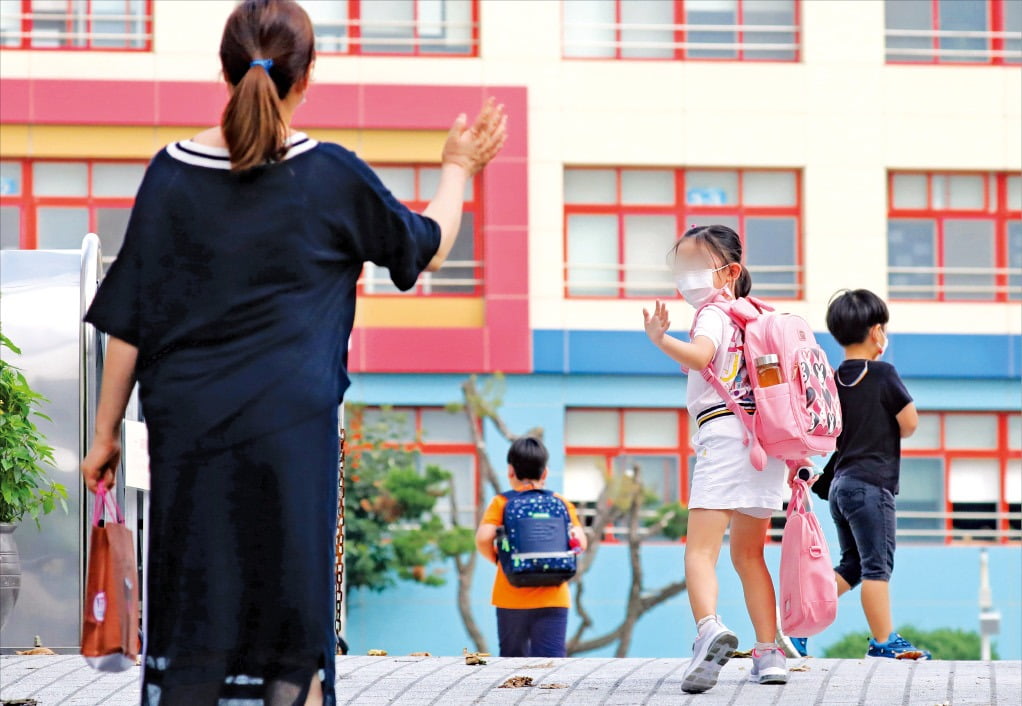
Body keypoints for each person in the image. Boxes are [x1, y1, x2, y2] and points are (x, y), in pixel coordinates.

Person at [79, 0, 507, 703]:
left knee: (198, 601)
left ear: (224, 70)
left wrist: (103, 435)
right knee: (289, 606)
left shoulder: (172, 174)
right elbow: (424, 244)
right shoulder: (331, 175)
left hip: (188, 431)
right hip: (290, 430)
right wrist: (458, 167)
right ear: (307, 77)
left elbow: (131, 312)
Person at [642, 225, 790, 693]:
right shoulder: (759, 318)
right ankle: (770, 654)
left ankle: (709, 629)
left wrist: (661, 339)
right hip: (765, 446)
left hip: (725, 436)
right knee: (750, 554)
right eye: (679, 264)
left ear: (730, 271)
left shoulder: (714, 313)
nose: (685, 275)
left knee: (700, 551)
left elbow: (702, 355)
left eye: (694, 264)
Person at [809, 288, 931, 661]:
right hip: (871, 487)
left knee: (853, 565)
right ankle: (884, 642)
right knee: (877, 566)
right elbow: (909, 424)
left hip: (841, 488)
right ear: (877, 331)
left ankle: (796, 628)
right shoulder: (882, 373)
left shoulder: (831, 379)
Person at [474, 437, 587, 658]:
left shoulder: (502, 502)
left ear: (510, 471)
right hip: (553, 596)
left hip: (510, 595)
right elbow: (580, 542)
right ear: (545, 473)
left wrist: (500, 561)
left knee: (512, 664)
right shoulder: (561, 502)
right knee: (551, 665)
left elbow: (483, 538)